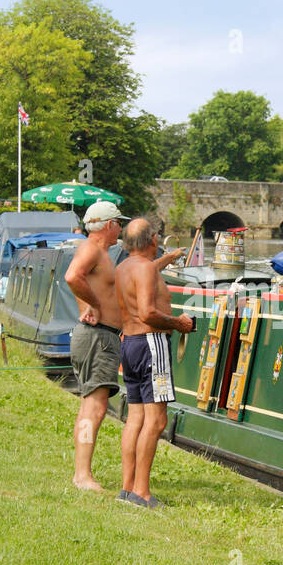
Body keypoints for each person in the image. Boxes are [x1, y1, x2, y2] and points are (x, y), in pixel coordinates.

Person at [115, 219, 195, 508]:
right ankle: (142, 492)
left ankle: (126, 489)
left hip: (130, 345)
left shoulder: (124, 267)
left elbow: (144, 272)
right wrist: (178, 323)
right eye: (157, 235)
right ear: (151, 240)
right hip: (152, 345)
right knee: (157, 420)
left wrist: (168, 259)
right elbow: (148, 313)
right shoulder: (145, 268)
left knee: (135, 418)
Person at [64, 201, 126, 491]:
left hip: (101, 336)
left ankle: (82, 472)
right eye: (118, 223)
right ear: (109, 225)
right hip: (97, 337)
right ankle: (83, 476)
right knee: (95, 407)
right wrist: (94, 304)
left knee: (91, 405)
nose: (121, 228)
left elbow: (80, 278)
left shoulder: (100, 252)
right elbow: (72, 276)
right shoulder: (92, 249)